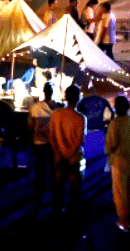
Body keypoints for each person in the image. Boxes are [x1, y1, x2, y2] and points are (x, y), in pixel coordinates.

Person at [105, 95, 130, 231]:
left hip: (118, 161)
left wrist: (109, 152)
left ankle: (124, 220)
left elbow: (110, 145)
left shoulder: (115, 124)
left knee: (120, 191)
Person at [48, 85, 87, 221]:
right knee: (75, 189)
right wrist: (69, 154)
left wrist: (58, 153)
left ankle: (57, 215)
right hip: (73, 158)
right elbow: (79, 141)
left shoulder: (56, 114)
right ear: (78, 98)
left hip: (58, 157)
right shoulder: (81, 118)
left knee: (58, 187)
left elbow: (51, 136)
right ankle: (73, 216)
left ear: (65, 97)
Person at [28, 82, 61, 208]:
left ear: (44, 91)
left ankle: (38, 198)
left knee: (40, 171)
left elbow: (30, 126)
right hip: (53, 143)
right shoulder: (58, 108)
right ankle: (54, 198)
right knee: (53, 171)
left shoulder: (35, 107)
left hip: (39, 142)